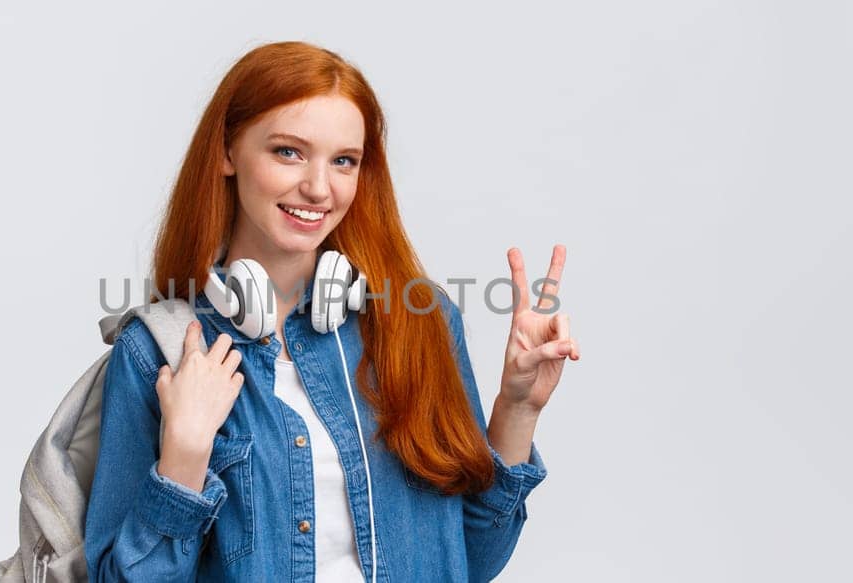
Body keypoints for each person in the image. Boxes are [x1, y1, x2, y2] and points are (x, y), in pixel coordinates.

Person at [82, 41, 580, 582]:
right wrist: (183, 457)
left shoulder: (420, 322)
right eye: (288, 152)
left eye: (344, 161)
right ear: (227, 152)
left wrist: (517, 409)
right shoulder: (160, 354)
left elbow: (471, 560)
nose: (319, 188)